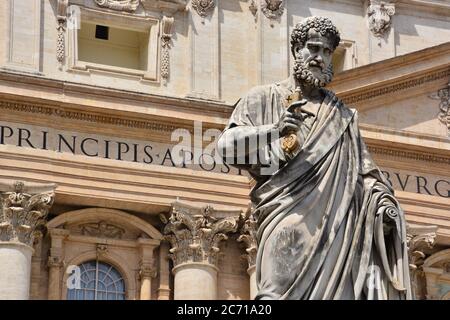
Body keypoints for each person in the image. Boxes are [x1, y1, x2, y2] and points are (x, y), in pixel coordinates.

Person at [217, 16, 411, 300]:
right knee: (275, 295)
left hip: (337, 230)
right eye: (313, 48)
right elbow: (226, 147)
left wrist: (383, 205)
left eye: (326, 52)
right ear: (296, 50)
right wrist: (273, 130)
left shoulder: (342, 116)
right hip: (285, 218)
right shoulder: (264, 98)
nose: (319, 57)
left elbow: (366, 175)